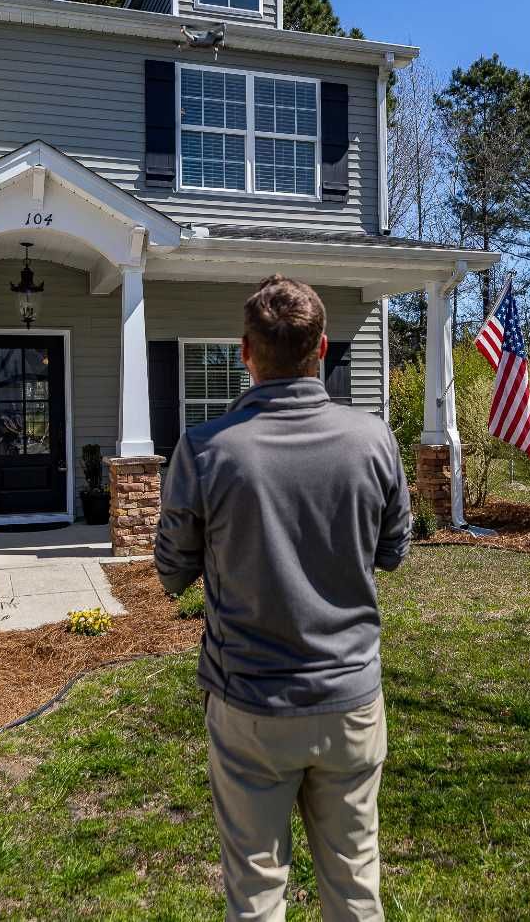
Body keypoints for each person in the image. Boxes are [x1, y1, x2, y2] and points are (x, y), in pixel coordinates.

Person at [155, 275, 412, 922]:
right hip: (350, 701)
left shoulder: (206, 450)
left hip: (250, 706)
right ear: (321, 349)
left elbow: (169, 571)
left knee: (256, 895)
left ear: (246, 352)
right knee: (356, 890)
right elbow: (394, 551)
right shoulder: (373, 440)